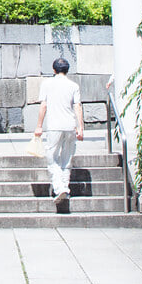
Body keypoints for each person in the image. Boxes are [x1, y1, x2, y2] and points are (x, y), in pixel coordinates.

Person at [33, 57, 84, 207]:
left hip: (54, 125)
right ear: (67, 70)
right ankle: (65, 187)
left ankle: (59, 187)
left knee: (52, 158)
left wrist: (39, 126)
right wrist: (80, 127)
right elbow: (78, 107)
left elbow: (43, 106)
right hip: (70, 126)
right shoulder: (73, 85)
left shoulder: (47, 84)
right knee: (67, 159)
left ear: (54, 70)